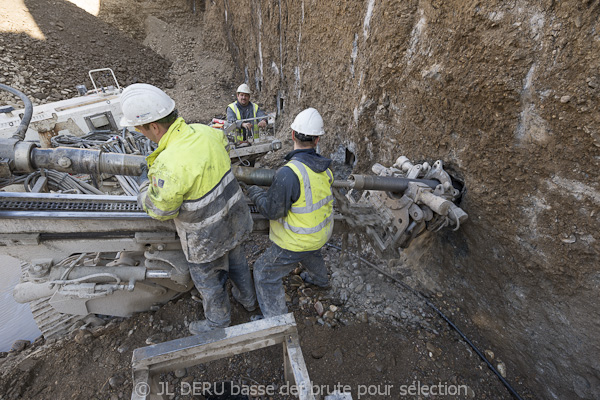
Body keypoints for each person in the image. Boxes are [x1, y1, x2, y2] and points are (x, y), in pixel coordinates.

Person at [120, 83, 256, 334]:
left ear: (154, 126)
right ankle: (248, 301)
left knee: (210, 282)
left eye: (140, 129)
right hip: (235, 218)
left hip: (206, 238)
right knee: (238, 263)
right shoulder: (206, 132)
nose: (141, 134)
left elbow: (160, 210)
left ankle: (218, 322)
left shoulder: (168, 164)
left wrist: (143, 187)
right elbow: (220, 153)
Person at [245, 108, 334, 318]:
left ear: (292, 135)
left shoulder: (289, 173)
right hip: (320, 235)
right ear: (317, 140)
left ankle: (277, 322)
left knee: (263, 272)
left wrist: (255, 192)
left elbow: (271, 211)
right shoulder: (326, 169)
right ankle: (321, 280)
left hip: (297, 241)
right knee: (311, 250)